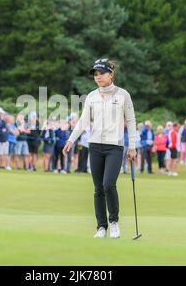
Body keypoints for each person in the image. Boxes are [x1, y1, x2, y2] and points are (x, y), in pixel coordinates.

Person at [63, 58, 136, 239]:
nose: (97, 77)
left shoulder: (123, 95)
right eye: (95, 74)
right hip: (95, 145)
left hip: (114, 146)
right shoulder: (91, 96)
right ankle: (101, 227)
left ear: (111, 74)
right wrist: (71, 139)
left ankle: (114, 222)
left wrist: (133, 146)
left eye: (101, 73)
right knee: (98, 188)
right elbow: (84, 121)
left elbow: (131, 121)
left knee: (108, 184)